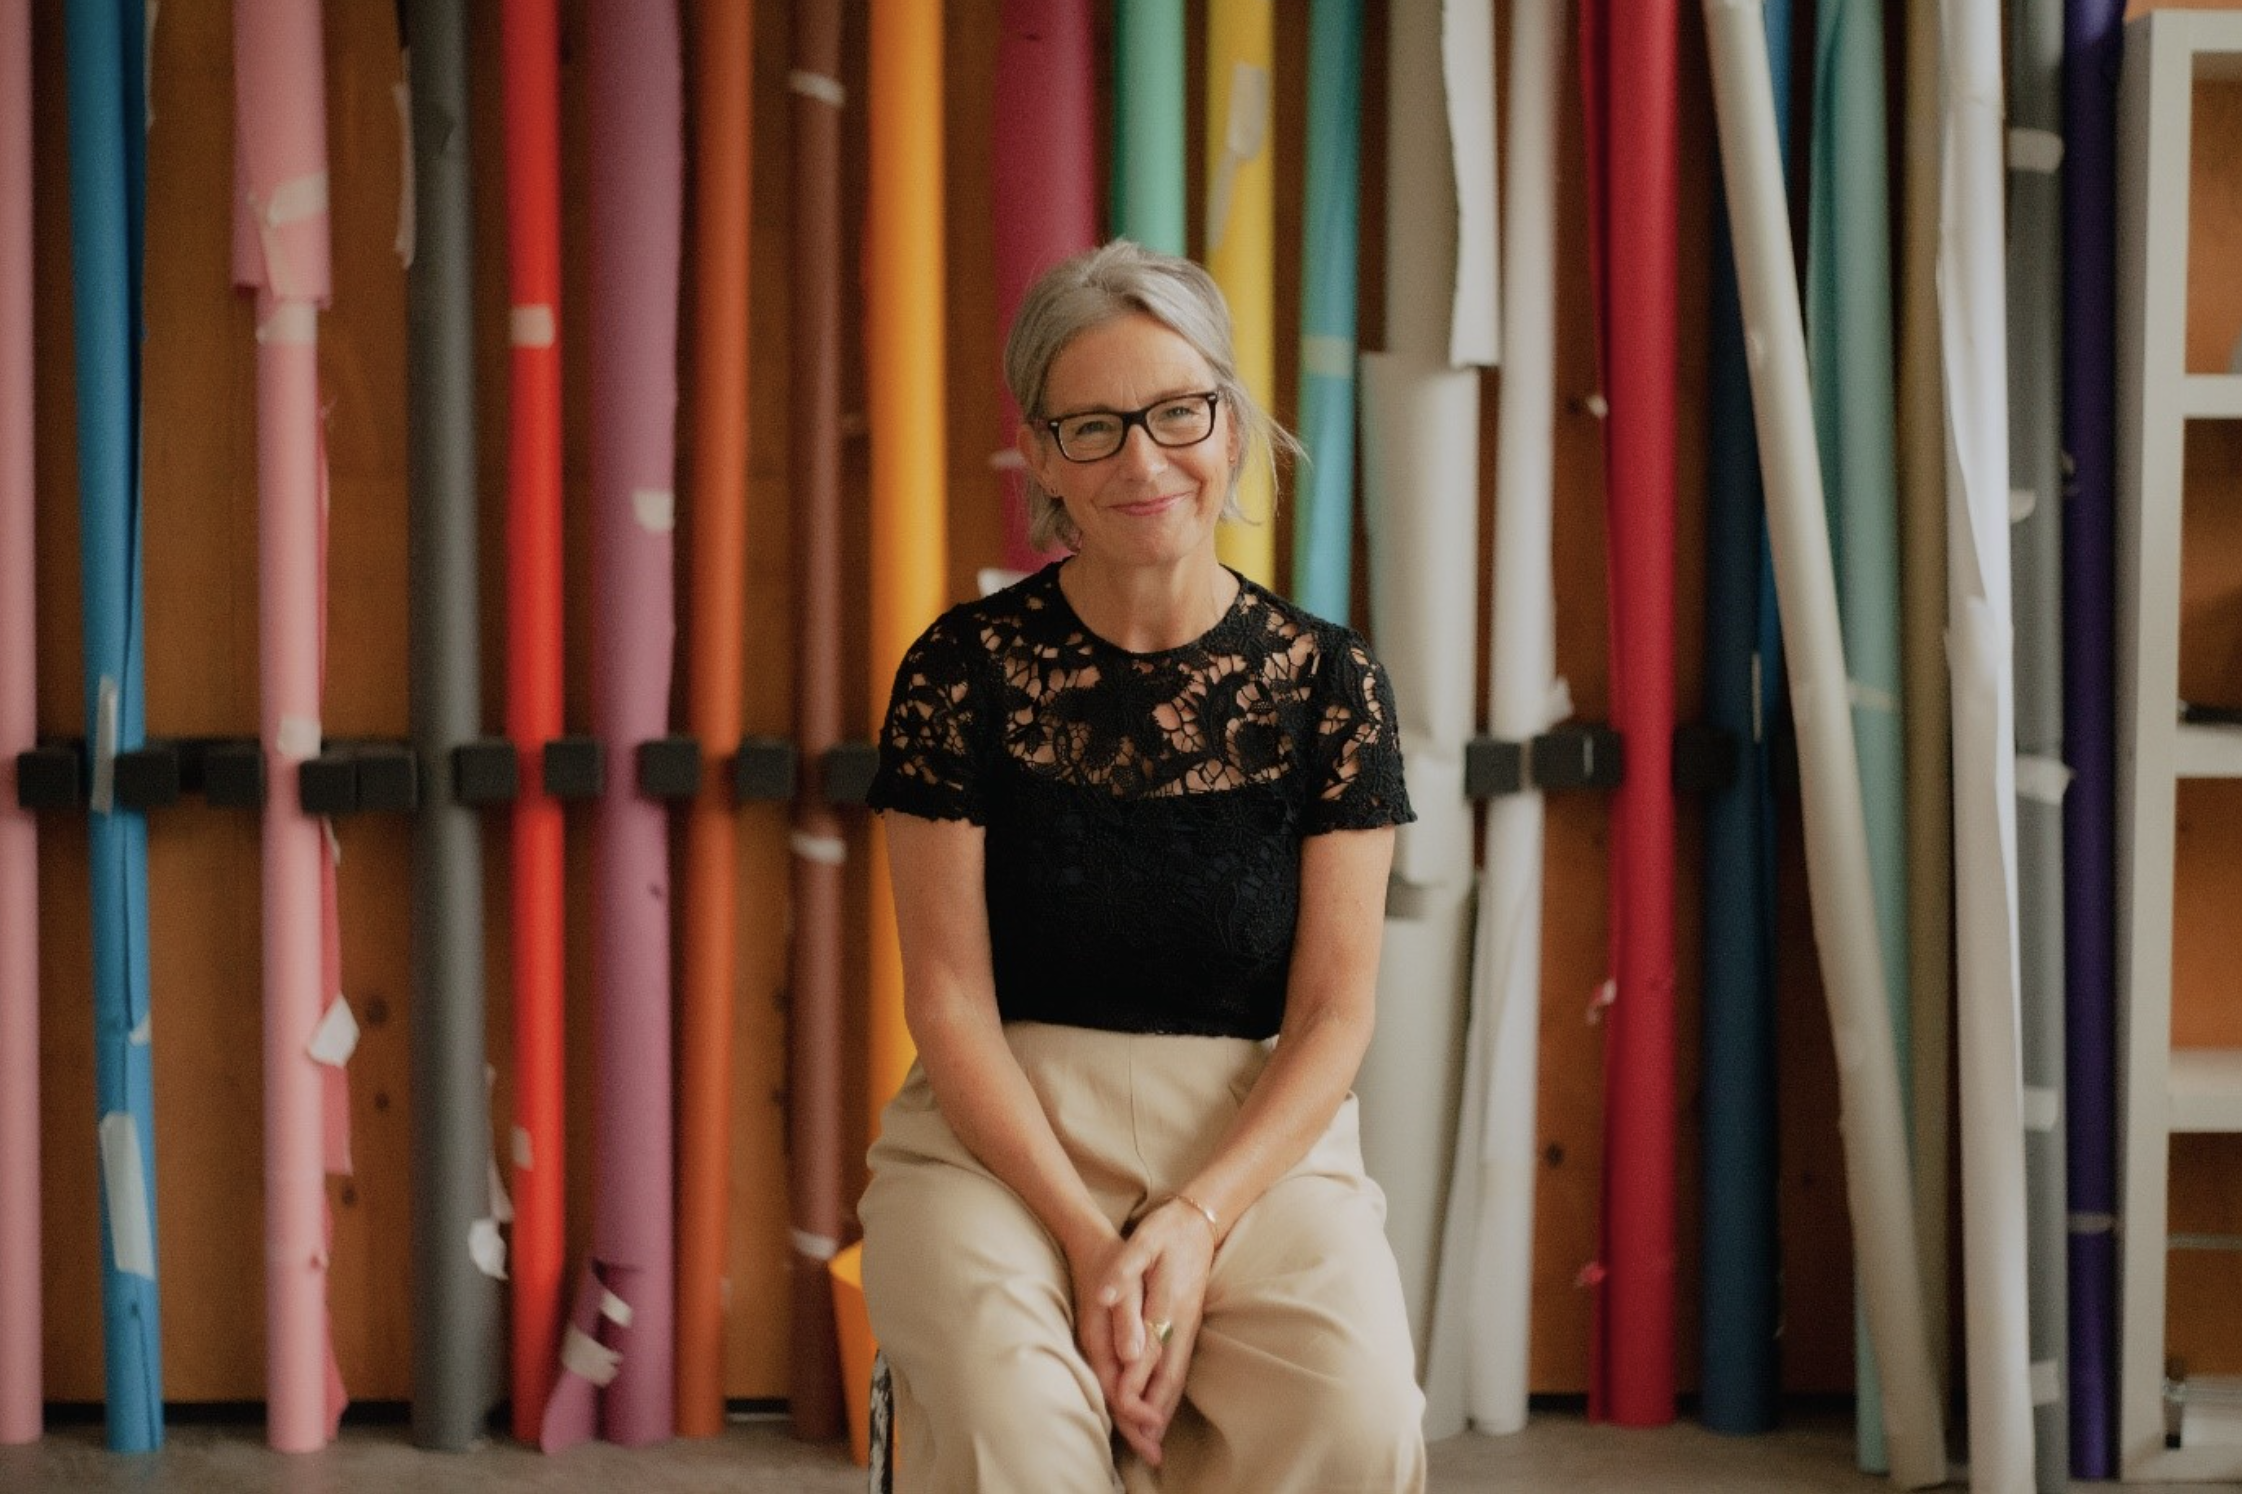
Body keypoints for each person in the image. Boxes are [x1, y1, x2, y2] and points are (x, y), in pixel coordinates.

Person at [860, 239, 1426, 1493]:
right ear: (1043, 457)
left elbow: (1334, 1014)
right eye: (1094, 427)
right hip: (997, 1139)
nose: (1143, 460)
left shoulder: (1333, 685)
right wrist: (1082, 1238)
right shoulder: (960, 672)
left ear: (1231, 422)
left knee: (1356, 1413)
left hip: (1251, 1144)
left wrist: (1190, 1220)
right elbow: (946, 999)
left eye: (1178, 412)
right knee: (1022, 1442)